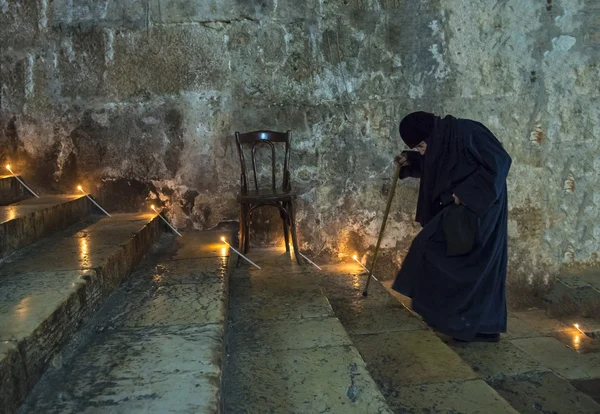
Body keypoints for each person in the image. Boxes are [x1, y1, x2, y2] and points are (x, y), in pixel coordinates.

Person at [392, 111, 512, 342]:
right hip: (462, 210)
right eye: (418, 148)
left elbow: (500, 161)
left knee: (471, 263)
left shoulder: (468, 131)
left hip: (483, 211)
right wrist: (412, 161)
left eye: (421, 146)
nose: (422, 151)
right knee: (437, 252)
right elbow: (441, 163)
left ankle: (478, 326)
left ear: (431, 135)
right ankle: (464, 323)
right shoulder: (442, 138)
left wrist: (466, 194)